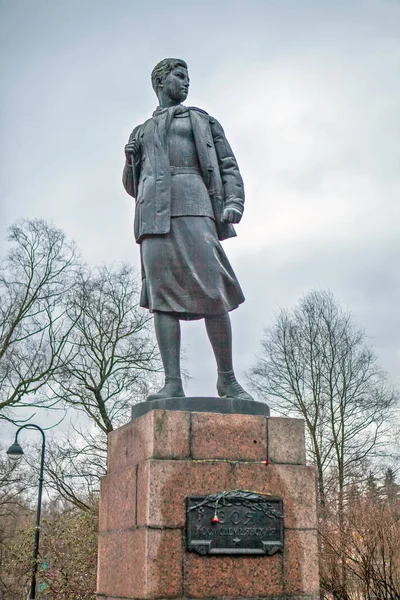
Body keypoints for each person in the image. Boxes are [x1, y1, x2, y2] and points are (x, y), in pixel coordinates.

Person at [123, 58, 253, 401]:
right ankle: (172, 383)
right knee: (162, 300)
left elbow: (227, 164)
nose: (186, 83)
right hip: (153, 215)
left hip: (195, 205)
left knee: (215, 290)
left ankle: (226, 379)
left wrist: (234, 202)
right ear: (161, 82)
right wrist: (129, 160)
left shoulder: (201, 119)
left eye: (187, 77)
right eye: (180, 77)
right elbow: (132, 186)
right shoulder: (140, 131)